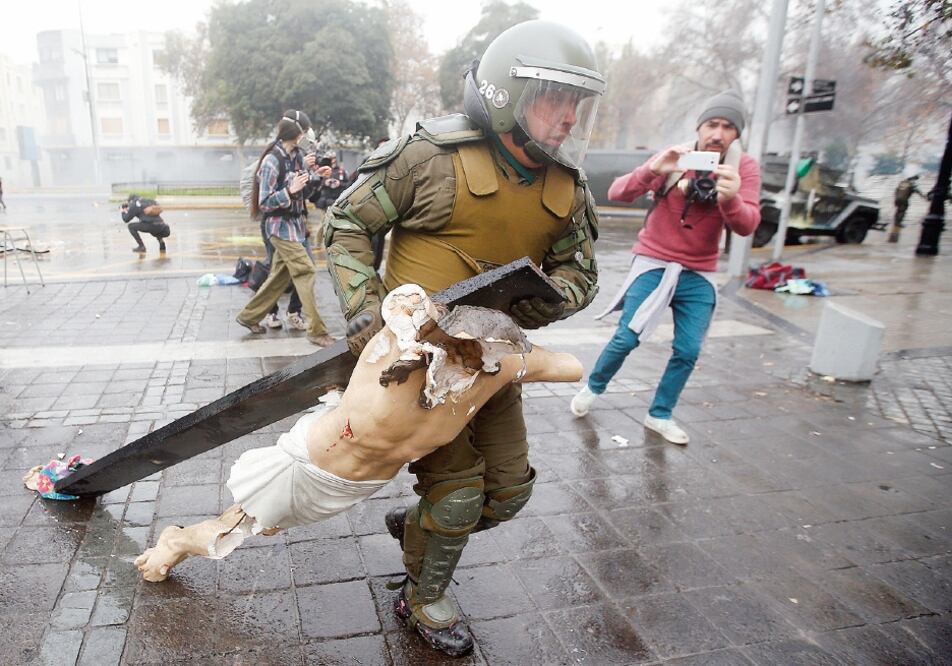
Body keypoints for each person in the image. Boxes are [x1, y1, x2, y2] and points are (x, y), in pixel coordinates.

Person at [322, 20, 604, 656]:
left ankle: (421, 530)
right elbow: (345, 225)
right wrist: (371, 316)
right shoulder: (430, 159)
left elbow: (580, 271)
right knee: (456, 497)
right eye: (553, 98)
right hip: (414, 370)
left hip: (492, 364)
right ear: (507, 92)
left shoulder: (566, 187)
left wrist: (550, 299)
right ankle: (421, 597)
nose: (567, 118)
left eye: (576, 103)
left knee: (507, 494)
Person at [134, 284, 582, 582]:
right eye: (461, 349)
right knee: (240, 530)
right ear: (438, 337)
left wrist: (521, 339)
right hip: (309, 467)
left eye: (478, 357)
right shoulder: (394, 359)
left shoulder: (493, 372)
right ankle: (175, 541)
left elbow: (571, 367)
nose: (467, 363)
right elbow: (403, 301)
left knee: (260, 527)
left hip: (356, 487)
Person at [570, 89, 761, 445]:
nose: (718, 134)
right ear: (700, 127)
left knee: (688, 349)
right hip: (654, 260)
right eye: (711, 124)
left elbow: (748, 225)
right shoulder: (679, 156)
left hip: (699, 271)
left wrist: (731, 199)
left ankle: (660, 414)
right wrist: (656, 167)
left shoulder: (743, 167)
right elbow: (617, 192)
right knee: (627, 337)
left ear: (737, 133)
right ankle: (594, 387)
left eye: (727, 127)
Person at [236, 109, 335, 347]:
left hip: (296, 226)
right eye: (303, 132)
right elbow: (264, 202)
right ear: (295, 132)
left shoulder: (296, 157)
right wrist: (288, 191)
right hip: (279, 228)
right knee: (306, 270)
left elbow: (305, 193)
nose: (305, 136)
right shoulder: (272, 161)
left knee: (279, 278)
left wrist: (317, 177)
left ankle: (248, 317)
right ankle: (317, 330)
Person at [889, 174, 924, 243]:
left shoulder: (902, 182)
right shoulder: (912, 184)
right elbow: (917, 191)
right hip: (904, 200)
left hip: (897, 199)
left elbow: (896, 190)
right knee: (902, 211)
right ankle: (898, 223)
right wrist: (924, 197)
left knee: (898, 210)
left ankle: (896, 222)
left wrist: (896, 198)